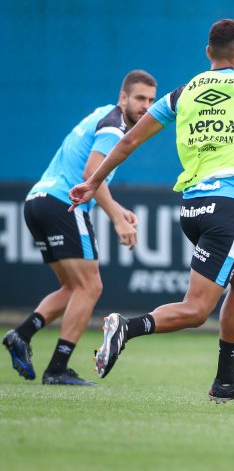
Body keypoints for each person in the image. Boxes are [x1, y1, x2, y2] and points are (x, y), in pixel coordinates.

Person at [68, 19, 234, 403]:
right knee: (197, 310)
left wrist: (93, 182)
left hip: (193, 209)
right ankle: (127, 328)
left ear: (207, 53)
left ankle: (226, 379)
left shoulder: (184, 92)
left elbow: (130, 138)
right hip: (228, 206)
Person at [2, 70, 156, 386]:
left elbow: (90, 176)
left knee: (73, 287)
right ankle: (57, 368)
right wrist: (115, 218)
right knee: (91, 287)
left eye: (151, 100)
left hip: (37, 200)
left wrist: (117, 208)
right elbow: (90, 174)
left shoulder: (102, 114)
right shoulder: (115, 127)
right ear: (123, 97)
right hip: (62, 203)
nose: (146, 106)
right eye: (140, 98)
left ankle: (22, 334)